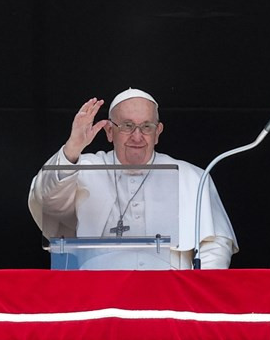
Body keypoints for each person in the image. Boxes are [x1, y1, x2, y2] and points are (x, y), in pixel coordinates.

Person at [28, 88, 237, 269]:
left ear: (158, 132)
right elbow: (46, 199)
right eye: (127, 126)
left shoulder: (191, 176)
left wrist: (198, 294)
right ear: (109, 131)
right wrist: (72, 147)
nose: (137, 136)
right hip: (96, 292)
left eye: (147, 127)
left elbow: (214, 245)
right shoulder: (82, 168)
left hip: (169, 293)